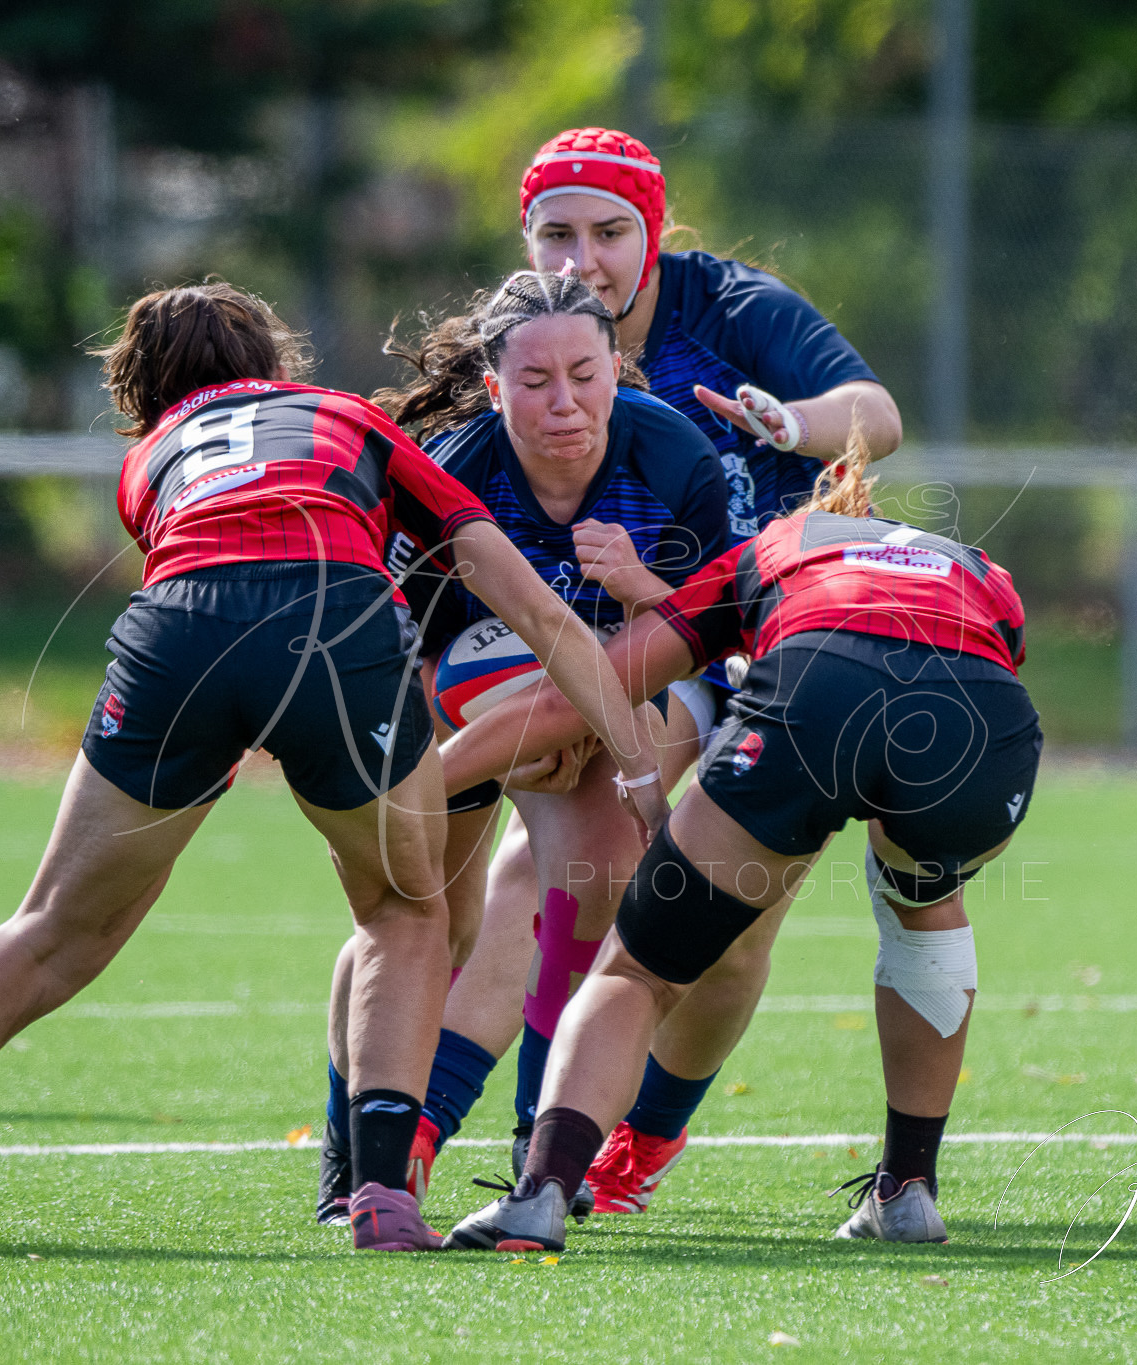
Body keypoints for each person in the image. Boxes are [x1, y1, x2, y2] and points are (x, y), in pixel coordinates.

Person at [0, 280, 665, 1256]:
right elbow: (525, 604)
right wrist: (639, 762)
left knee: (54, 930)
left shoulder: (150, 459)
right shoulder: (343, 416)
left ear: (139, 393)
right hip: (336, 625)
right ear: (273, 364)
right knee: (402, 912)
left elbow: (217, 592)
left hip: (178, 639)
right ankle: (381, 1200)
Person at [418, 126, 906, 1220]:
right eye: (555, 232)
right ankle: (438, 1145)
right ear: (523, 235)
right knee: (563, 857)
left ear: (655, 231)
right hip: (628, 631)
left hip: (765, 631)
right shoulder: (527, 335)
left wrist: (792, 421)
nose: (579, 258)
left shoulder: (727, 306)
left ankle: (636, 1142)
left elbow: (874, 414)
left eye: (607, 232)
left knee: (725, 928)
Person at [436, 436, 1040, 1251]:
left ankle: (541, 1192)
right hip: (983, 720)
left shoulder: (774, 546)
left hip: (820, 685)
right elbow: (982, 656)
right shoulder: (978, 566)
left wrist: (414, 791)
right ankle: (908, 1190)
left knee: (640, 968)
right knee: (924, 911)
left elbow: (594, 689)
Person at [314, 267, 729, 1222]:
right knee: (419, 919)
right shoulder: (451, 472)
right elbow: (398, 651)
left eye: (585, 374)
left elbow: (711, 632)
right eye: (535, 381)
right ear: (494, 387)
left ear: (618, 369)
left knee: (597, 867)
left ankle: (538, 1149)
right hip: (462, 700)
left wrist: (638, 589)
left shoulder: (672, 458)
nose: (565, 402)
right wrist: (489, 735)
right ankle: (352, 1156)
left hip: (630, 691)